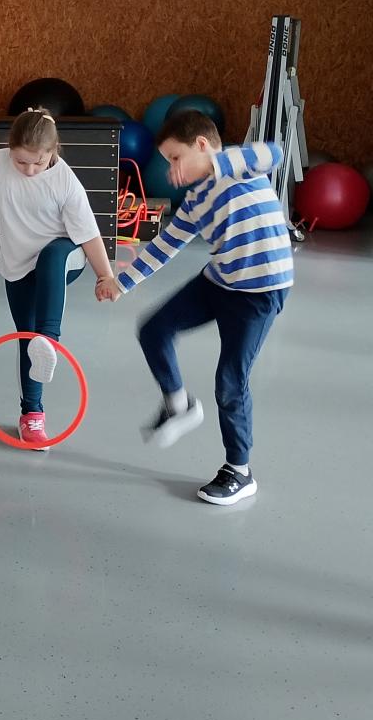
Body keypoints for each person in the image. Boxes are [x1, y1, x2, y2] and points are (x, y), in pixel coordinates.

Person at [98, 110, 292, 505]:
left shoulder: (239, 168)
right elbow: (166, 245)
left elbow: (275, 153)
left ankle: (239, 471)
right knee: (153, 329)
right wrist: (121, 283)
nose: (172, 169)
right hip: (219, 281)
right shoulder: (195, 200)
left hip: (259, 291)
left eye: (176, 158)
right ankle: (179, 405)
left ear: (202, 145)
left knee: (230, 382)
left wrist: (212, 163)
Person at [0, 108, 113, 448]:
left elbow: (88, 234)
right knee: (27, 336)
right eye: (21, 161)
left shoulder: (65, 181)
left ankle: (50, 338)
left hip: (65, 257)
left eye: (37, 163)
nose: (29, 170)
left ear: (52, 152)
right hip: (17, 265)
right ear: (9, 148)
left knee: (51, 261)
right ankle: (32, 415)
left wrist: (105, 276)